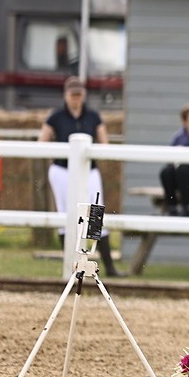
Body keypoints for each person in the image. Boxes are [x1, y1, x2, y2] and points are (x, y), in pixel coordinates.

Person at [37, 76, 121, 276]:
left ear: (83, 95)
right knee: (66, 213)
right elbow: (42, 142)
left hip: (90, 170)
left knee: (96, 212)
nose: (76, 99)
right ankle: (71, 264)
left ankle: (108, 266)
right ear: (66, 95)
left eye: (79, 95)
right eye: (72, 95)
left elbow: (104, 143)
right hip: (62, 170)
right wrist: (60, 154)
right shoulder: (55, 117)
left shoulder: (93, 116)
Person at [159, 103, 189, 216]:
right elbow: (169, 158)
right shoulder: (179, 137)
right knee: (166, 172)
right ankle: (171, 207)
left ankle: (186, 207)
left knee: (184, 169)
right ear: (185, 122)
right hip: (180, 178)